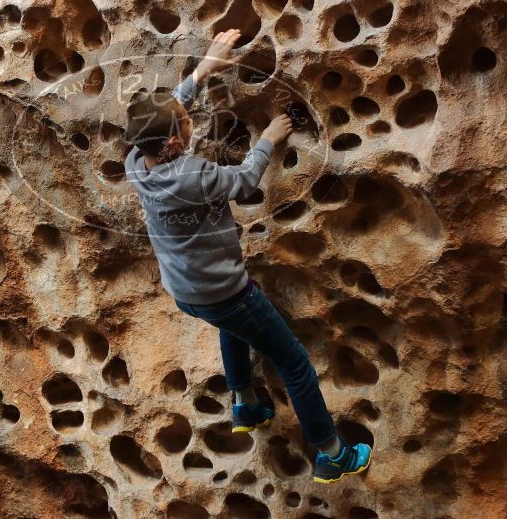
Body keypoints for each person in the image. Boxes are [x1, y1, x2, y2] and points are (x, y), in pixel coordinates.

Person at [122, 29, 372, 484]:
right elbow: (243, 182)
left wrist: (202, 70)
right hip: (226, 292)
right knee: (294, 363)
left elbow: (163, 121)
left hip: (186, 291)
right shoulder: (194, 175)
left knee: (230, 325)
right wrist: (270, 139)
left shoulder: (137, 163)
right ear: (179, 140)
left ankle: (245, 402)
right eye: (184, 118)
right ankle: (331, 453)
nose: (187, 115)